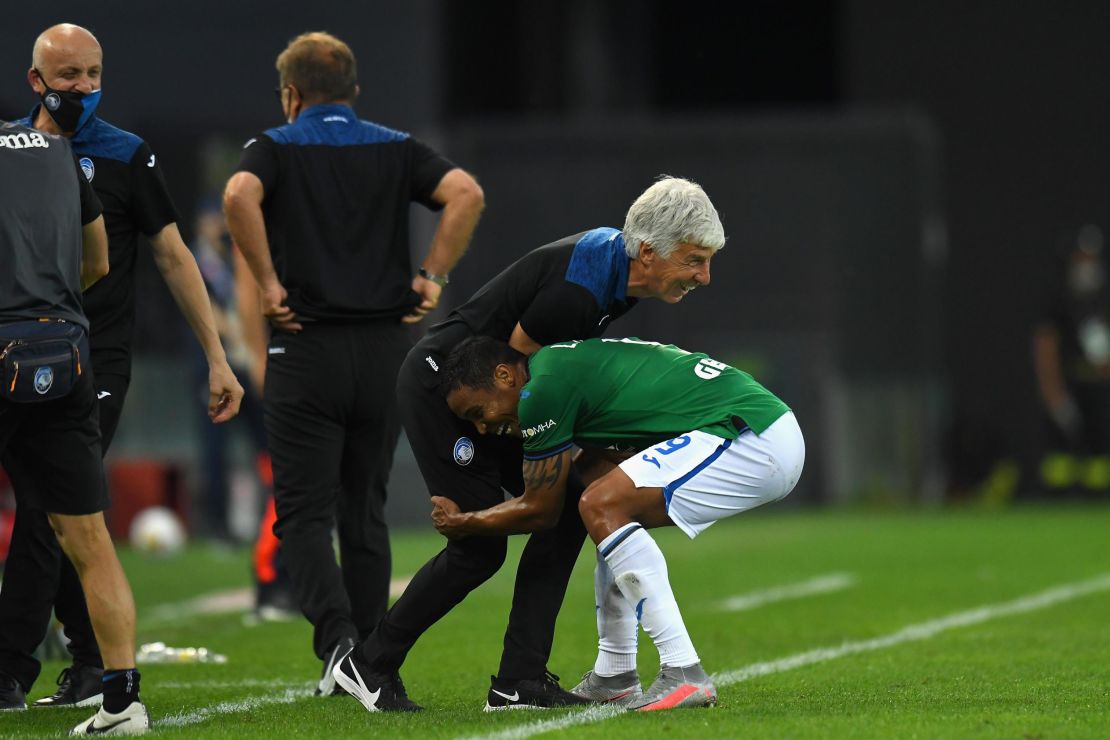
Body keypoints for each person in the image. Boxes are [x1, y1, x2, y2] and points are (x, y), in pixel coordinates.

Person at [331, 176, 726, 712]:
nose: (704, 275)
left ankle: (519, 679)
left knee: (562, 512)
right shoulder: (579, 292)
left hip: (493, 391)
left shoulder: (618, 271)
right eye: (695, 260)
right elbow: (516, 382)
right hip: (450, 392)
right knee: (481, 548)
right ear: (650, 252)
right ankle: (369, 663)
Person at [222, 31, 486, 696]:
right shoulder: (394, 145)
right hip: (383, 352)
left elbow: (236, 196)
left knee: (304, 514)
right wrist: (432, 277)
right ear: (354, 91)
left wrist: (268, 284)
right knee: (362, 509)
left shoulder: (275, 146)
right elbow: (465, 193)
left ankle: (338, 644)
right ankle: (369, 653)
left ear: (291, 95)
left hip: (305, 348)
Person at [0, 23, 244, 711]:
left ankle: (15, 667)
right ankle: (83, 664)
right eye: (68, 74)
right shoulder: (15, 151)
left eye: (92, 74)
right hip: (12, 357)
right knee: (59, 520)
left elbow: (172, 257)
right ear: (36, 80)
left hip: (90, 362)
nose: (82, 87)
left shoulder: (125, 157)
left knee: (52, 514)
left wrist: (218, 357)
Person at [431, 336, 805, 711]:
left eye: (478, 411)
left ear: (504, 376)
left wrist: (464, 522)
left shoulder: (541, 392)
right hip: (762, 430)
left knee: (600, 504)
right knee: (605, 510)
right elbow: (587, 481)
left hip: (751, 435)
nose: (481, 428)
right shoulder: (562, 370)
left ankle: (683, 670)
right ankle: (615, 674)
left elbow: (542, 509)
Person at [0, 118, 148, 733]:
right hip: (64, 349)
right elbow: (98, 260)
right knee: (89, 541)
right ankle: (122, 701)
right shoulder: (61, 154)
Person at [1033, 224, 1110, 495]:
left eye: (1091, 258)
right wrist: (1053, 392)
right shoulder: (1059, 296)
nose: (1087, 265)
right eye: (1081, 258)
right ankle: (1057, 511)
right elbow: (1046, 344)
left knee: (1100, 460)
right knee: (1061, 461)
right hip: (1070, 386)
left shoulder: (1104, 295)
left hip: (1101, 391)